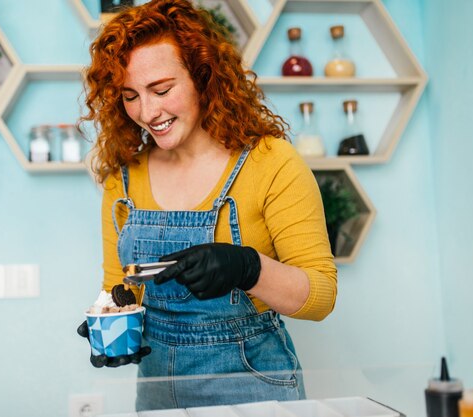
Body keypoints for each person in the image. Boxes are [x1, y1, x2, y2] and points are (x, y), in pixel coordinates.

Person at [77, 0, 337, 411]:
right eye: (130, 95)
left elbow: (321, 296)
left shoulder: (271, 162)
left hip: (253, 384)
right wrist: (112, 325)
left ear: (203, 77)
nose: (148, 112)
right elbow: (120, 286)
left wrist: (246, 267)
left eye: (162, 90)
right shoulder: (123, 178)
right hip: (158, 387)